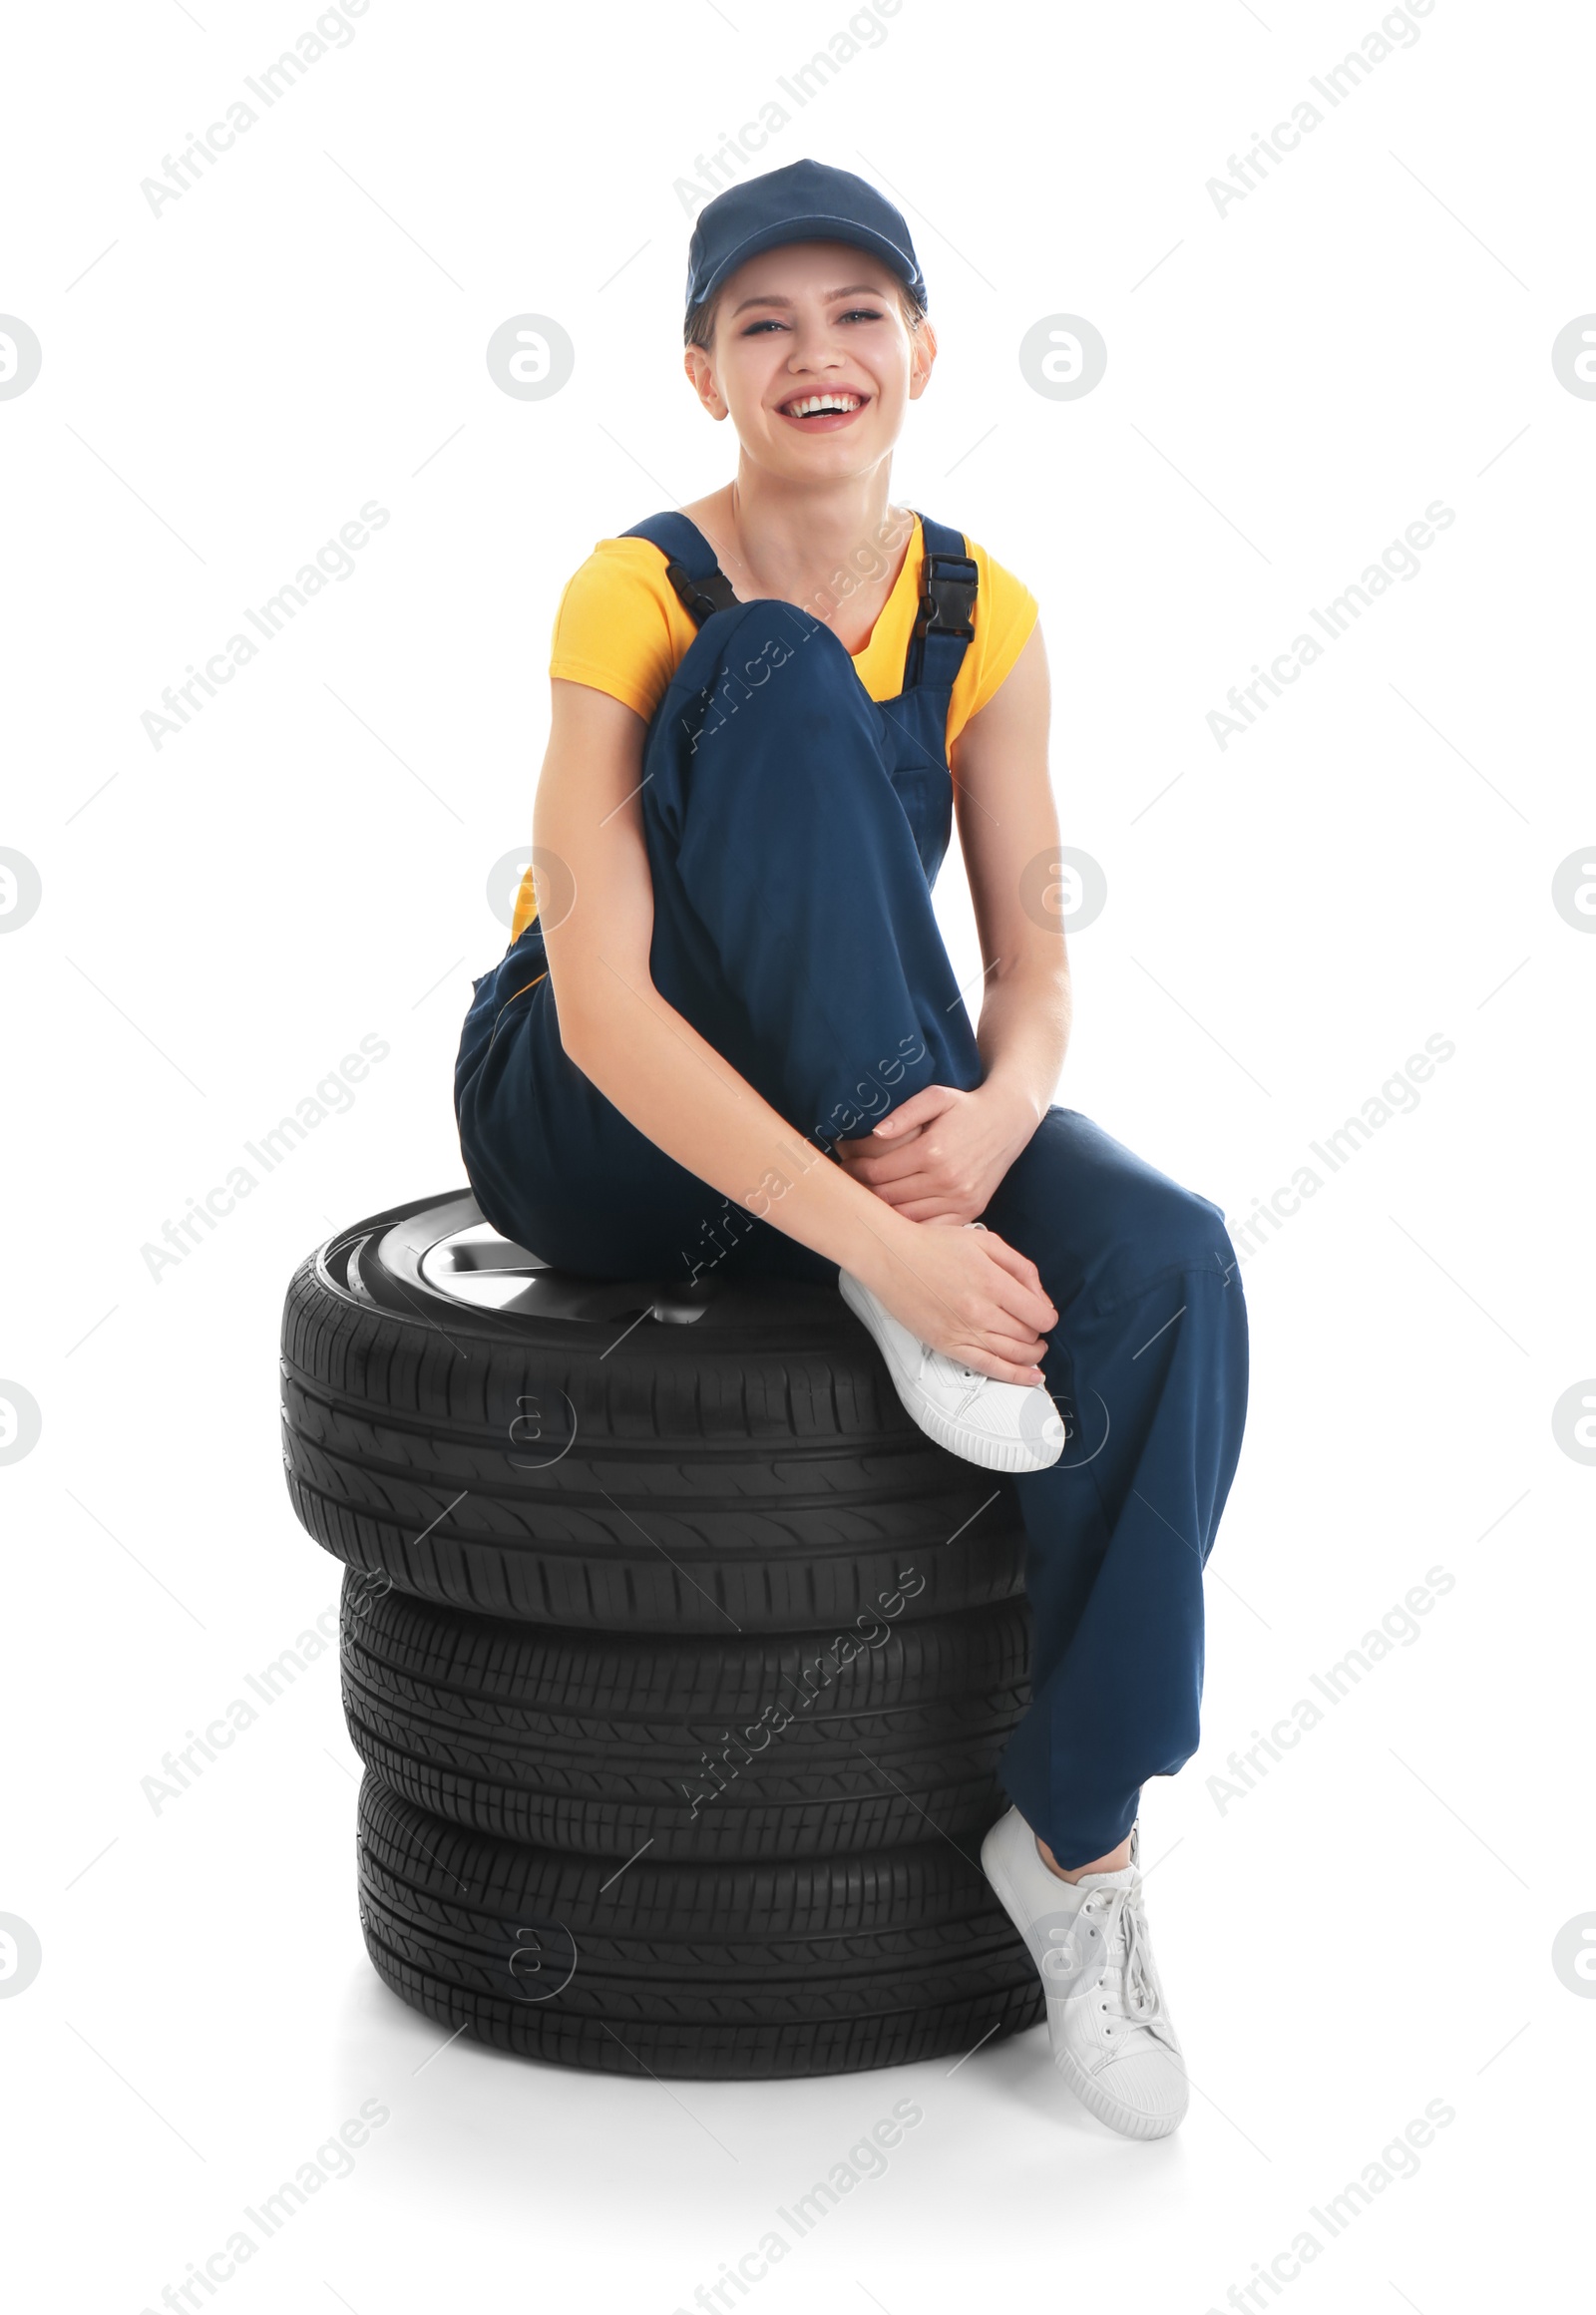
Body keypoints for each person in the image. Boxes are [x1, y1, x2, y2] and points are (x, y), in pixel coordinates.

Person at [455, 159, 1249, 2139]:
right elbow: (611, 1006)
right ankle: (882, 1269)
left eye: (854, 314)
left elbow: (1033, 972)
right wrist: (887, 1252)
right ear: (705, 370)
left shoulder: (984, 613)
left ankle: (1073, 1845)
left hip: (874, 1089)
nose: (815, 353)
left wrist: (984, 1125)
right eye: (762, 323)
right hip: (598, 1118)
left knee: (1165, 1265)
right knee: (776, 679)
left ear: (917, 348)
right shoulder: (637, 587)